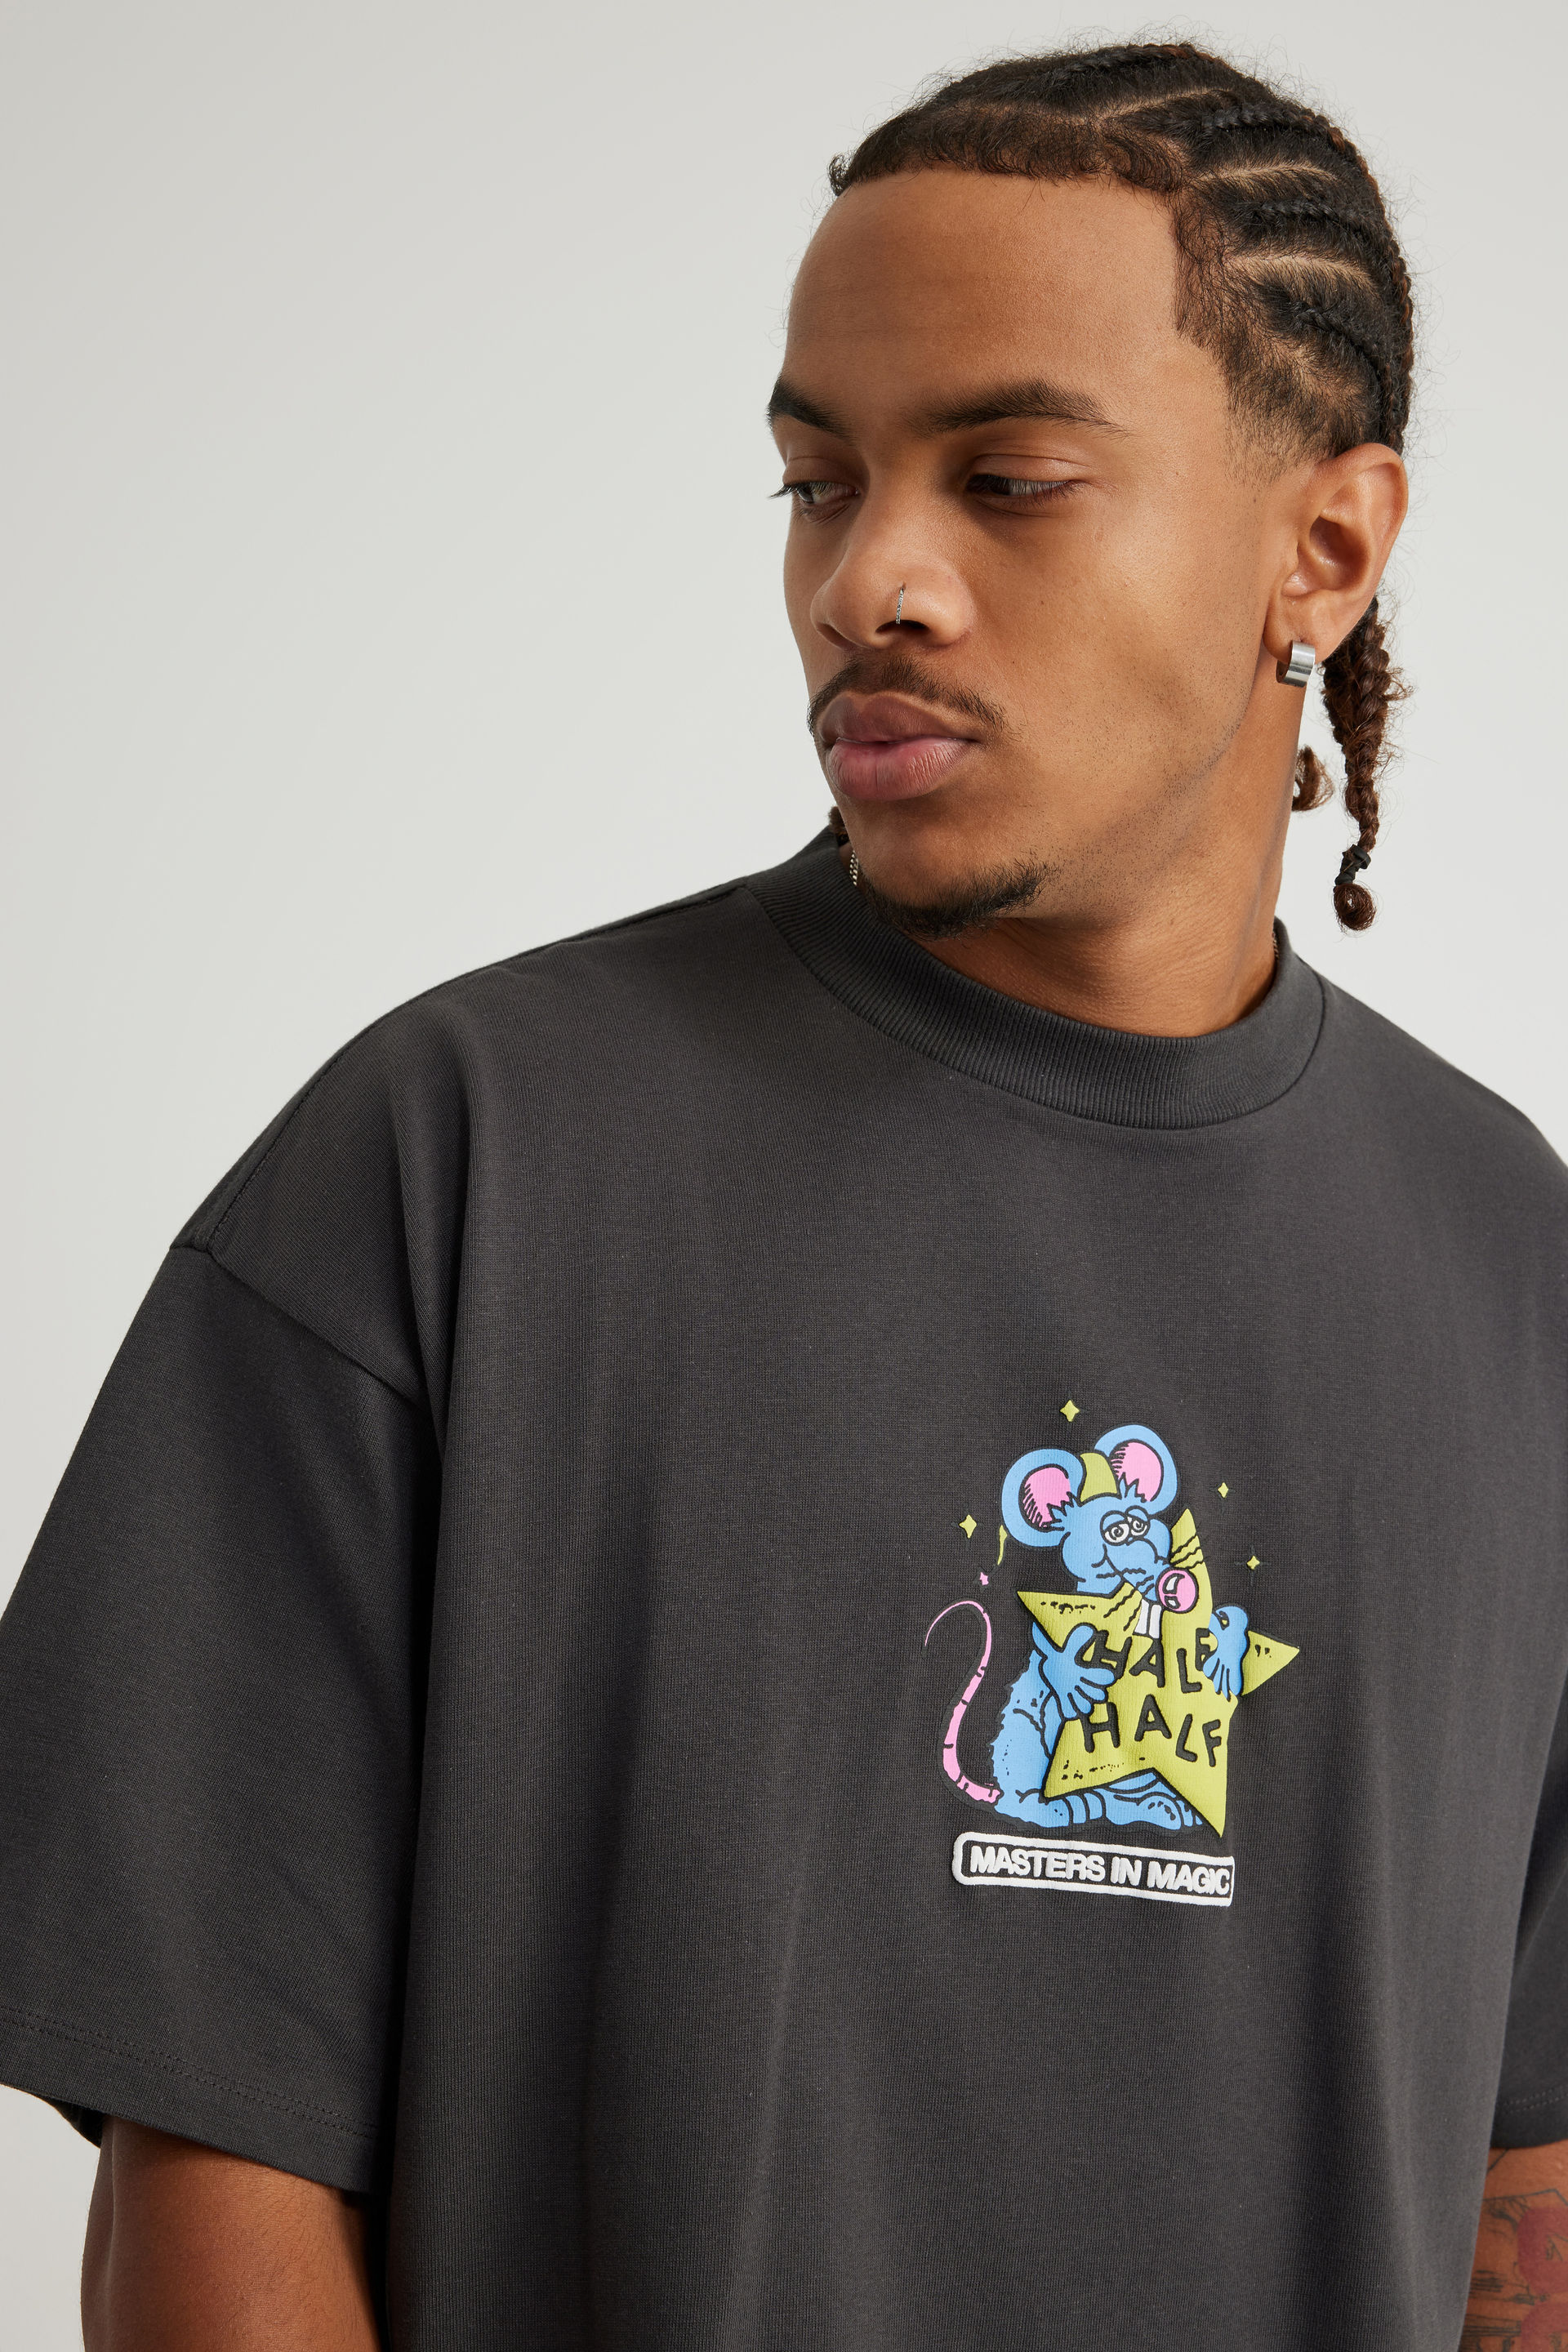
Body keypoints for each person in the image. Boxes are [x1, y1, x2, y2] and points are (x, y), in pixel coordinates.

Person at [1, 38, 1563, 2352]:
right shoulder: (460, 1167)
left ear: (1321, 550)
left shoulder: (1512, 1271)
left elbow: (1527, 2194)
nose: (871, 582)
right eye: (818, 483)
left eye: (1008, 480)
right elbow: (215, 2176)